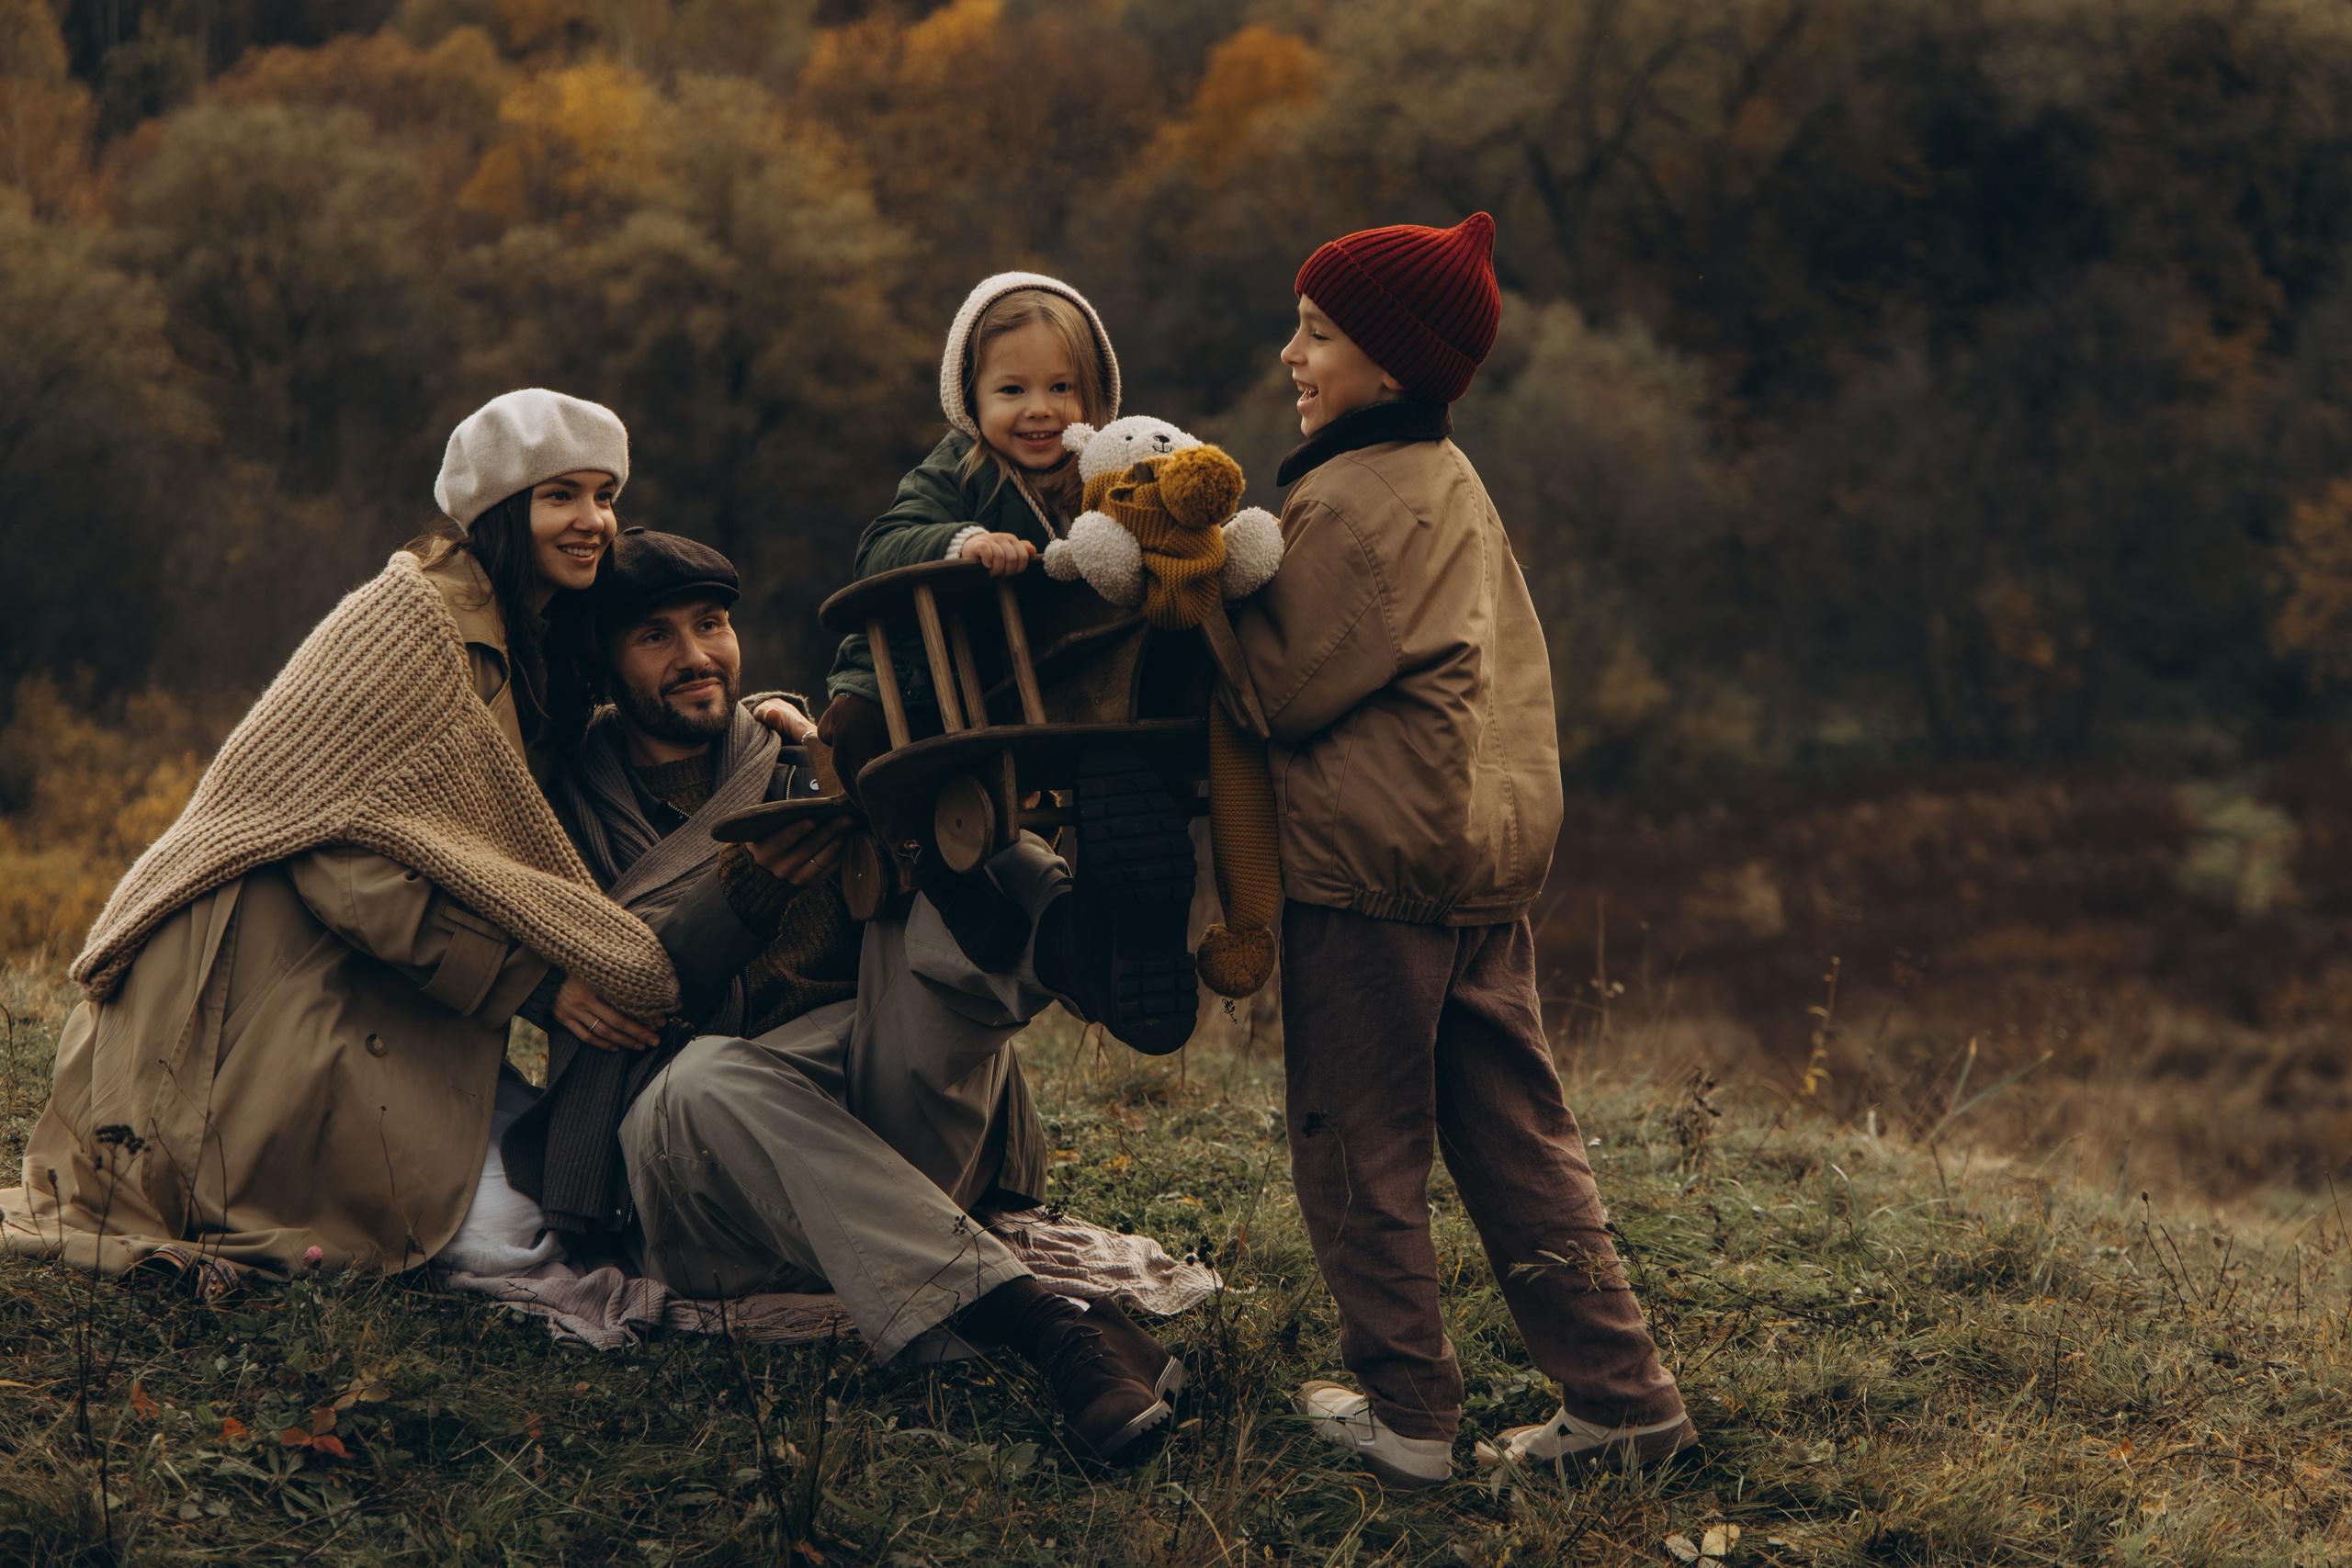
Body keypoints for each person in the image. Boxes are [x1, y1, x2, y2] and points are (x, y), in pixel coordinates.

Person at [469, 527, 1191, 1470]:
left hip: (876, 1118)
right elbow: (622, 985)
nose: (697, 656)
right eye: (656, 636)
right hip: (703, 1181)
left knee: (934, 871)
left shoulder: (795, 748)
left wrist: (891, 824)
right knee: (699, 1080)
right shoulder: (561, 808)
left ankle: (1071, 934)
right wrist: (748, 888)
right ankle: (1050, 1329)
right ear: (604, 661)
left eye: (712, 624)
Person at [0, 389, 675, 1282]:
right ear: (505, 511)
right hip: (255, 992)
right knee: (513, 1239)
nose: (592, 520)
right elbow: (343, 861)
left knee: (567, 1198)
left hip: (367, 988)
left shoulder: (528, 633)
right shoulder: (409, 626)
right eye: (562, 497)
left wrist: (753, 721)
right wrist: (535, 981)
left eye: (604, 494)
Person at [1226, 216, 1699, 1486]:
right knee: (1512, 1131)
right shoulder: (1451, 478)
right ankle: (1622, 1399)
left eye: (1317, 334)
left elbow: (1275, 688)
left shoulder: (1347, 501)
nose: (1292, 355)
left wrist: (1186, 602)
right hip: (1479, 860)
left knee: (1353, 1138)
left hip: (1373, 873)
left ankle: (1409, 1420)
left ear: (1391, 364)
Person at [816, 273, 1202, 1055]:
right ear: (971, 398)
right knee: (855, 736)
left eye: (1062, 387)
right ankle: (940, 878)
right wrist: (963, 542)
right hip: (917, 682)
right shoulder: (957, 471)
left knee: (1116, 753)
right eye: (1013, 388)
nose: (1040, 409)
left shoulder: (1099, 479)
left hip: (1025, 692)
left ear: (1095, 398)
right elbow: (880, 544)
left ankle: (1117, 903)